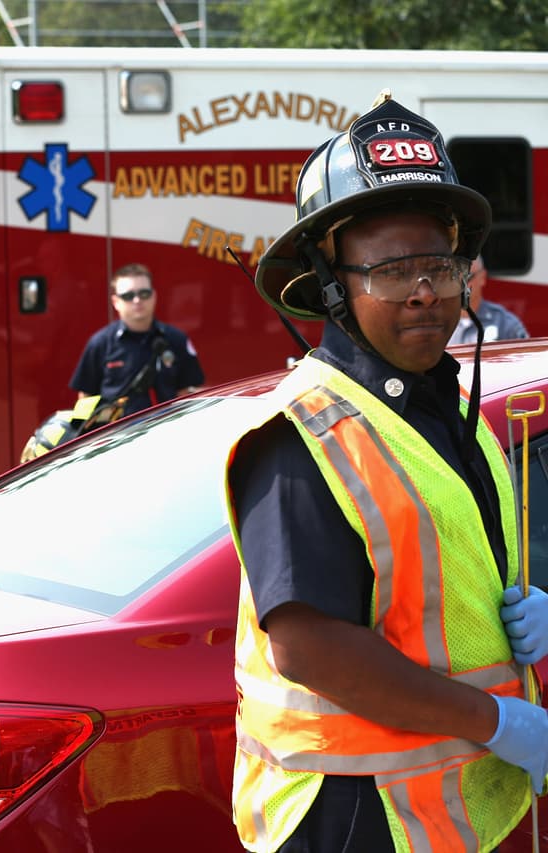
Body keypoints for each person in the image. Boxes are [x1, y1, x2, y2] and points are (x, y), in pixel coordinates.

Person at [229, 92, 548, 852]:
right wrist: (498, 721)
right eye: (391, 271)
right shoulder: (302, 432)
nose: (425, 291)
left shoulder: (450, 407)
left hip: (446, 813)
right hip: (352, 818)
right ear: (331, 283)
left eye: (440, 265)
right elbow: (310, 649)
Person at [69, 263, 203, 418]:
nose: (137, 300)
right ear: (116, 302)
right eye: (128, 296)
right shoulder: (100, 343)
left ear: (154, 296)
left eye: (144, 293)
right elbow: (85, 398)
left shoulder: (177, 339)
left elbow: (187, 393)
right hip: (119, 432)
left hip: (167, 428)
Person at [448, 254, 530, 344]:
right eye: (455, 278)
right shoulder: (440, 323)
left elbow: (526, 351)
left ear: (482, 277)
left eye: (467, 278)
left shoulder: (505, 323)